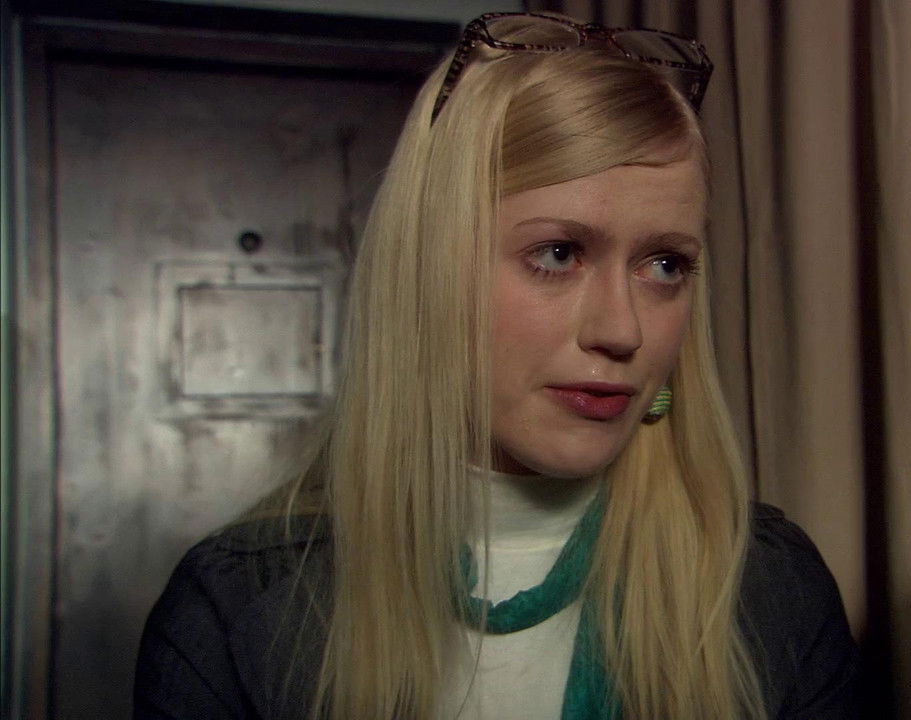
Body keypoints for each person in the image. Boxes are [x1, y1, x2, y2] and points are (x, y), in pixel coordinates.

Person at [134, 12, 857, 720]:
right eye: (558, 254)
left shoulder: (769, 589)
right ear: (430, 274)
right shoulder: (238, 608)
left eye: (664, 264)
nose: (622, 330)